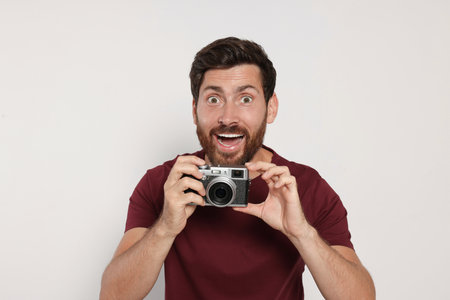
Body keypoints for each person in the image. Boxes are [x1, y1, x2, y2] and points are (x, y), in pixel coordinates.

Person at [100, 37, 375, 300]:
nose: (228, 117)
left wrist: (301, 233)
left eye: (245, 99)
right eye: (213, 99)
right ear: (195, 110)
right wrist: (165, 228)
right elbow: (112, 295)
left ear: (271, 108)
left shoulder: (304, 186)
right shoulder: (164, 183)